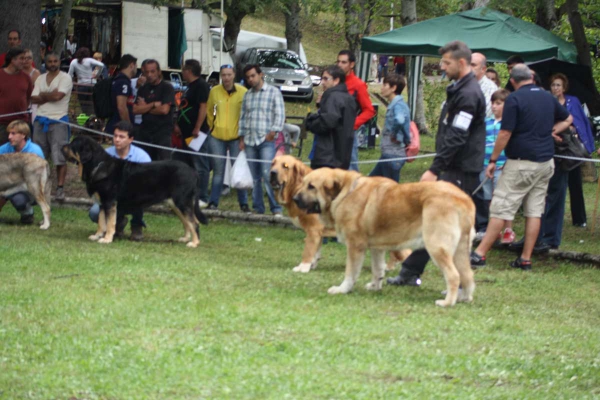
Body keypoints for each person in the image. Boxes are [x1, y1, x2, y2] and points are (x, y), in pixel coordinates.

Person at [387, 40, 486, 287]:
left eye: (446, 62)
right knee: (433, 221)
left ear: (461, 63)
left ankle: (461, 283)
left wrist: (434, 169)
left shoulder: (469, 94)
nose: (442, 66)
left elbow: (457, 136)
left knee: (449, 226)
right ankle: (410, 272)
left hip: (461, 169)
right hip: (454, 166)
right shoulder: (459, 89)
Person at [470, 64, 572, 270]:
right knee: (534, 210)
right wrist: (552, 131)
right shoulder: (547, 97)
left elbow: (505, 133)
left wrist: (493, 160)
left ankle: (479, 254)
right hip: (545, 162)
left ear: (513, 80)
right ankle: (525, 258)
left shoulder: (514, 99)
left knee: (501, 207)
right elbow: (568, 118)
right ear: (532, 78)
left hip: (521, 162)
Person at [88, 121, 151, 241]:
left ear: (130, 139)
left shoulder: (142, 157)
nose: (117, 139)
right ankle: (118, 224)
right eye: (115, 136)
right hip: (111, 196)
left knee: (140, 197)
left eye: (121, 137)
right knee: (94, 212)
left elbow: (146, 183)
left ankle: (136, 226)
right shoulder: (106, 154)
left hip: (134, 196)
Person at [238, 64, 284, 216]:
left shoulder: (273, 92)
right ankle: (258, 208)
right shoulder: (248, 95)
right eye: (248, 77)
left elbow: (280, 114)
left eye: (253, 75)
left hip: (266, 141)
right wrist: (242, 137)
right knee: (254, 177)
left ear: (260, 74)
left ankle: (276, 208)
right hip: (250, 141)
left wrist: (273, 132)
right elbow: (243, 118)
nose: (250, 79)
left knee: (267, 174)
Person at [550, 73, 594, 228]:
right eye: (553, 85)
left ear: (564, 87)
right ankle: (553, 217)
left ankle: (579, 218)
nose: (555, 88)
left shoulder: (572, 101)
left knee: (575, 183)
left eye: (558, 85)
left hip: (571, 147)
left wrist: (573, 129)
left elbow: (581, 122)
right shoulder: (549, 101)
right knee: (554, 185)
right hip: (554, 147)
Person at [206, 64, 249, 211]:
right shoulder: (214, 91)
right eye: (223, 75)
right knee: (218, 172)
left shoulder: (243, 92)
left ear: (234, 75)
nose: (226, 78)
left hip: (236, 137)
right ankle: (213, 203)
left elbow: (246, 114)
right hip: (217, 137)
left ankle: (243, 204)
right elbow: (210, 111)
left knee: (238, 171)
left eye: (229, 74)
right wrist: (213, 127)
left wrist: (243, 136)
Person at [31, 52, 73, 201]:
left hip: (59, 120)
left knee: (60, 157)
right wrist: (49, 95)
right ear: (45, 62)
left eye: (55, 61)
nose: (53, 64)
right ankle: (39, 188)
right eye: (50, 61)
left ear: (59, 62)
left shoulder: (65, 77)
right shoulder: (40, 78)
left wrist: (43, 96)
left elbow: (58, 97)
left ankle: (60, 188)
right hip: (40, 120)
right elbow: (33, 98)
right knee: (38, 157)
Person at [474, 89, 514, 243]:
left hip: (502, 167)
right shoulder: (486, 123)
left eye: (499, 103)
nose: (494, 106)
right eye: (493, 103)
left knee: (503, 199)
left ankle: (508, 229)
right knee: (488, 198)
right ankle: (494, 229)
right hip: (485, 166)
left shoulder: (509, 125)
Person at [174, 59, 211, 206]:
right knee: (187, 163)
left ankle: (202, 196)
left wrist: (197, 127)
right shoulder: (189, 87)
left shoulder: (201, 86)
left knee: (200, 164)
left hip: (197, 133)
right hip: (185, 132)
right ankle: (187, 193)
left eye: (183, 70)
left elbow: (203, 107)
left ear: (189, 71)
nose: (182, 73)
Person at [306, 65, 356, 170]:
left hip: (327, 157)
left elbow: (327, 122)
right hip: (341, 156)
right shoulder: (348, 98)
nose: (322, 82)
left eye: (326, 78)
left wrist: (310, 122)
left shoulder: (333, 96)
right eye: (321, 79)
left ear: (336, 80)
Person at [0, 120, 46, 225]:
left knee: (18, 199)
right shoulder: (6, 148)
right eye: (9, 134)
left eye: (13, 134)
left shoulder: (35, 151)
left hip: (30, 188)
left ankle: (27, 214)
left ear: (23, 135)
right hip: (11, 185)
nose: (9, 137)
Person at [336, 50, 376, 171]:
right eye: (338, 61)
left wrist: (353, 124)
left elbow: (369, 110)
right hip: (332, 130)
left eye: (344, 62)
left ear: (351, 64)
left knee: (350, 168)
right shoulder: (334, 81)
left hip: (347, 133)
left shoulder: (358, 84)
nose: (340, 65)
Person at [369, 73, 410, 182]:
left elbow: (400, 120)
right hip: (388, 154)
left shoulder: (398, 105)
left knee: (392, 193)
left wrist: (394, 134)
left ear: (393, 88)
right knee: (370, 183)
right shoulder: (396, 104)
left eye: (384, 85)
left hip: (393, 155)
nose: (381, 88)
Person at [133, 59, 175, 161]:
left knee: (164, 163)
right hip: (146, 131)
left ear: (159, 71)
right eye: (147, 72)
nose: (149, 75)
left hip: (163, 132)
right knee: (146, 162)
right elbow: (135, 110)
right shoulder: (143, 89)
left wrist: (145, 107)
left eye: (152, 71)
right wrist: (153, 104)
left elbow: (164, 110)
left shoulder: (167, 87)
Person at [0, 47, 32, 145]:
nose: (24, 61)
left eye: (26, 59)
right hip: (2, 123)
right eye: (21, 58)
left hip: (21, 123)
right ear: (12, 60)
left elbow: (28, 98)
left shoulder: (26, 77)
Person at [105, 54, 137, 135]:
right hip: (119, 125)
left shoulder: (120, 80)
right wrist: (128, 127)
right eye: (136, 66)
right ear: (132, 65)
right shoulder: (123, 82)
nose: (136, 69)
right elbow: (121, 107)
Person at [68, 47, 105, 115]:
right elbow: (101, 64)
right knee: (91, 103)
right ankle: (92, 119)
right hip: (92, 84)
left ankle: (86, 117)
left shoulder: (74, 62)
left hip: (81, 85)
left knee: (83, 104)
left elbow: (69, 75)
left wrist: (72, 84)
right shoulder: (89, 60)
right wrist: (96, 74)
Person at [471, 53, 498, 118]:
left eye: (473, 65)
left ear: (483, 69)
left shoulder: (490, 87)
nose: (469, 68)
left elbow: (484, 113)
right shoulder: (461, 83)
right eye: (468, 64)